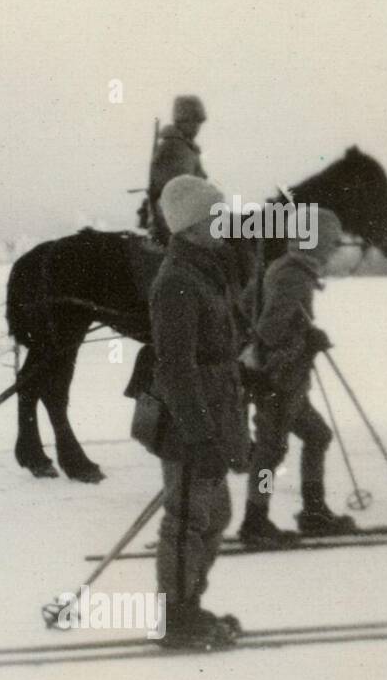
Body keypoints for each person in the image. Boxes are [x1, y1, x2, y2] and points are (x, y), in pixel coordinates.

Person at [149, 175, 249, 648]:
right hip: (190, 423)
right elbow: (176, 367)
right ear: (190, 226)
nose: (224, 223)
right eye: (215, 216)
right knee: (187, 518)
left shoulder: (205, 271)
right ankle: (173, 614)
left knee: (214, 515)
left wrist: (246, 378)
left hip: (214, 414)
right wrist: (199, 436)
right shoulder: (177, 282)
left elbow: (216, 348)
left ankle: (187, 602)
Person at [238, 208, 356, 545]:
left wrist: (304, 332)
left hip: (286, 379)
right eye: (331, 242)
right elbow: (271, 330)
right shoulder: (295, 276)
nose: (333, 249)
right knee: (270, 451)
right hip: (278, 380)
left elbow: (248, 305)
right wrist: (307, 341)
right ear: (314, 241)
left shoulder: (283, 267)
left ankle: (313, 511)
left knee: (317, 435)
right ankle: (255, 520)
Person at [145, 95, 209, 244]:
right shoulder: (175, 148)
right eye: (195, 121)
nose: (197, 127)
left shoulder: (185, 147)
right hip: (177, 230)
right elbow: (174, 195)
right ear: (183, 120)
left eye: (199, 122)